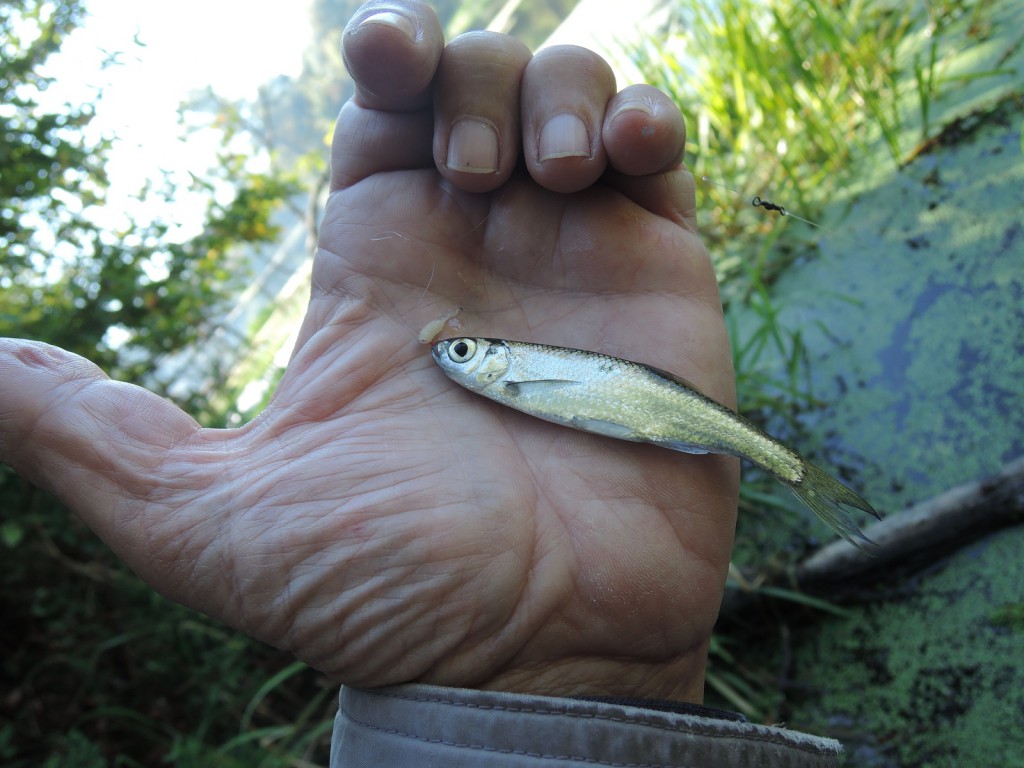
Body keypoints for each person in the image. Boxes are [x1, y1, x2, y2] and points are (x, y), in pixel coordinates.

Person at [0, 1, 842, 764]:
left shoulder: (518, 373)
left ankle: (795, 469)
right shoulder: (479, 494)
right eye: (465, 354)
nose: (455, 357)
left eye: (469, 355)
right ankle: (799, 475)